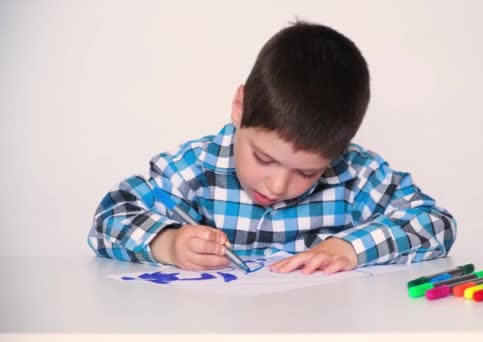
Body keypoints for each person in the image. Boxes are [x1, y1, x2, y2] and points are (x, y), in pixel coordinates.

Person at [87, 21, 456, 275]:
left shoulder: (355, 174)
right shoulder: (195, 168)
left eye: (308, 172)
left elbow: (435, 224)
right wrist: (167, 244)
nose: (277, 186)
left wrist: (351, 249)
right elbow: (110, 219)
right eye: (263, 158)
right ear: (240, 108)